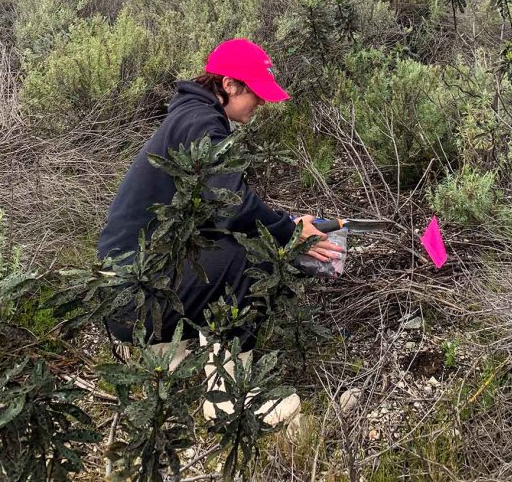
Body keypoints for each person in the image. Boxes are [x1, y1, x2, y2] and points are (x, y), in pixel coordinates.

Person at [98, 37, 344, 350]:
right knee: (251, 256)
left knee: (224, 245)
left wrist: (288, 223)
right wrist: (289, 232)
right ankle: (232, 397)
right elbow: (234, 207)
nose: (261, 102)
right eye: (255, 92)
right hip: (133, 297)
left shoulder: (189, 115)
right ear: (229, 84)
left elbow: (216, 207)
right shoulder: (201, 122)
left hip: (126, 288)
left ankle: (167, 366)